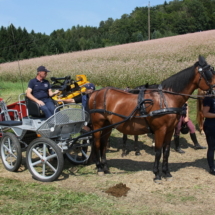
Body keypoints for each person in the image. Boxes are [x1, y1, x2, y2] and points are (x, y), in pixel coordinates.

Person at [202, 91, 215, 175]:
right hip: (211, 126)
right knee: (212, 147)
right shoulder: (209, 98)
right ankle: (212, 168)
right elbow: (205, 113)